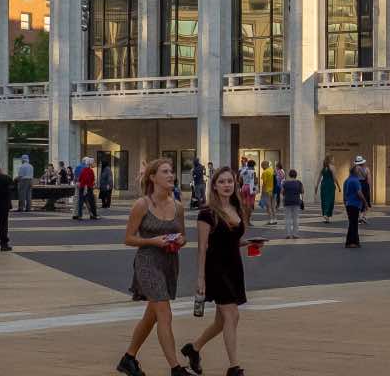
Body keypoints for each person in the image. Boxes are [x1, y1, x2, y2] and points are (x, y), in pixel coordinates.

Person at [118, 156, 189, 376]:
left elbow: (184, 236)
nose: (171, 176)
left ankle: (128, 358)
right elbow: (128, 238)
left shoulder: (178, 206)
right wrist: (152, 241)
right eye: (165, 172)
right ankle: (175, 368)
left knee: (152, 315)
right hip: (148, 262)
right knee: (165, 314)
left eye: (171, 172)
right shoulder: (142, 205)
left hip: (169, 262)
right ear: (153, 177)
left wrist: (180, 240)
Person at [183, 165, 246, 376]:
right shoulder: (207, 213)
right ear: (215, 186)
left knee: (222, 320)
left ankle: (194, 348)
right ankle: (234, 367)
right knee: (232, 315)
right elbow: (202, 247)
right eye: (222, 182)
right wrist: (200, 278)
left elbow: (231, 240)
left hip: (234, 267)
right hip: (216, 268)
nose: (227, 185)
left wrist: (250, 243)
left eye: (230, 181)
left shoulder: (237, 208)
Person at [343, 162, 367, 248]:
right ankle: (353, 242)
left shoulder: (347, 180)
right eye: (358, 169)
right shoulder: (355, 180)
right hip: (354, 204)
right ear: (355, 171)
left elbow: (345, 193)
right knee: (354, 224)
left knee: (352, 223)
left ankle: (350, 241)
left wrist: (345, 202)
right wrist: (365, 202)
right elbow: (359, 193)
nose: (359, 170)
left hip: (349, 204)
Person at [280, 168, 306, 239]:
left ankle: (288, 234)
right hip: (296, 202)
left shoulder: (285, 183)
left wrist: (283, 199)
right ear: (296, 175)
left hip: (287, 202)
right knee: (295, 219)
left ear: (289, 175)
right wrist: (302, 200)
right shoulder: (299, 183)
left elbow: (282, 192)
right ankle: (295, 234)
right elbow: (302, 192)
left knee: (287, 218)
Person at [258, 161, 276, 225]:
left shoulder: (265, 172)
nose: (262, 167)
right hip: (274, 191)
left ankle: (271, 220)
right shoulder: (273, 170)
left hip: (267, 191)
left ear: (265, 165)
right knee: (273, 205)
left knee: (268, 206)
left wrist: (262, 193)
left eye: (262, 166)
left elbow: (264, 184)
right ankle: (274, 219)